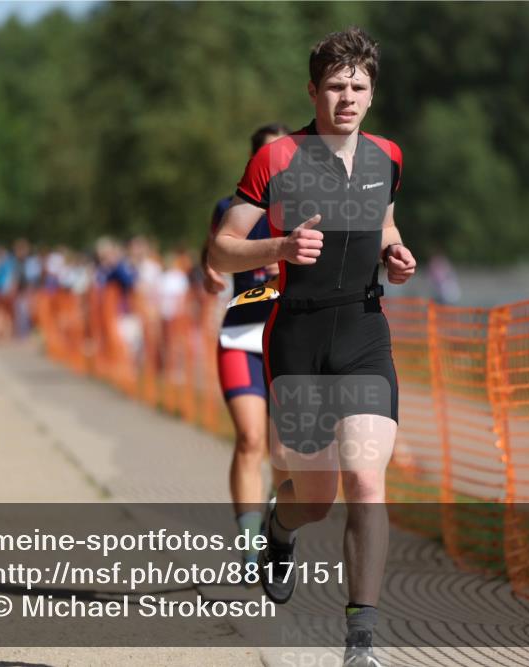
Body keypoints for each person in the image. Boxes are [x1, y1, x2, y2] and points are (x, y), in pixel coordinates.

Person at [209, 27, 416, 667]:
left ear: (372, 93)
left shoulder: (389, 157)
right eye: (334, 86)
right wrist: (277, 248)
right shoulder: (277, 160)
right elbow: (221, 246)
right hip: (295, 335)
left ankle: (361, 643)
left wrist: (394, 252)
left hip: (363, 331)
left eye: (357, 86)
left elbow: (383, 219)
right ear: (313, 90)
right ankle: (277, 529)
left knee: (365, 479)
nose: (346, 98)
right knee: (315, 496)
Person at [201, 123, 291, 569]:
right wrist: (211, 272)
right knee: (250, 438)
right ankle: (250, 543)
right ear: (253, 163)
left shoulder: (307, 209)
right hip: (240, 337)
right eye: (267, 158)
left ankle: (279, 521)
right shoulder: (228, 209)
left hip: (291, 340)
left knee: (286, 449)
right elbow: (211, 253)